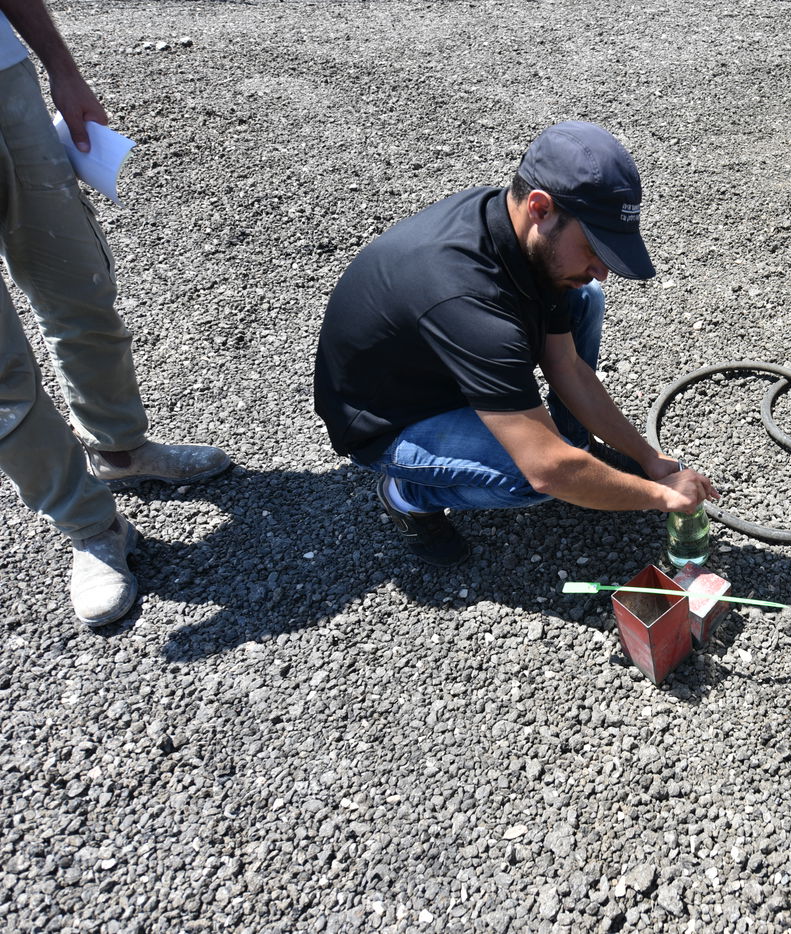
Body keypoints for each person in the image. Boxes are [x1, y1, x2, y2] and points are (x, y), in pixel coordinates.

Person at [314, 120, 716, 565]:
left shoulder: (517, 232)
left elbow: (566, 364)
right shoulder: (468, 300)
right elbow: (547, 472)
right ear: (541, 208)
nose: (603, 268)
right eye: (594, 249)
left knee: (583, 296)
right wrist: (659, 496)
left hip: (441, 366)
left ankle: (573, 444)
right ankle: (408, 492)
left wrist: (650, 459)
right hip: (390, 421)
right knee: (534, 478)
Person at [0, 0, 230, 626]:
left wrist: (62, 70)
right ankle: (91, 526)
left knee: (81, 291)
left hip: (4, 82)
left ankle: (121, 450)